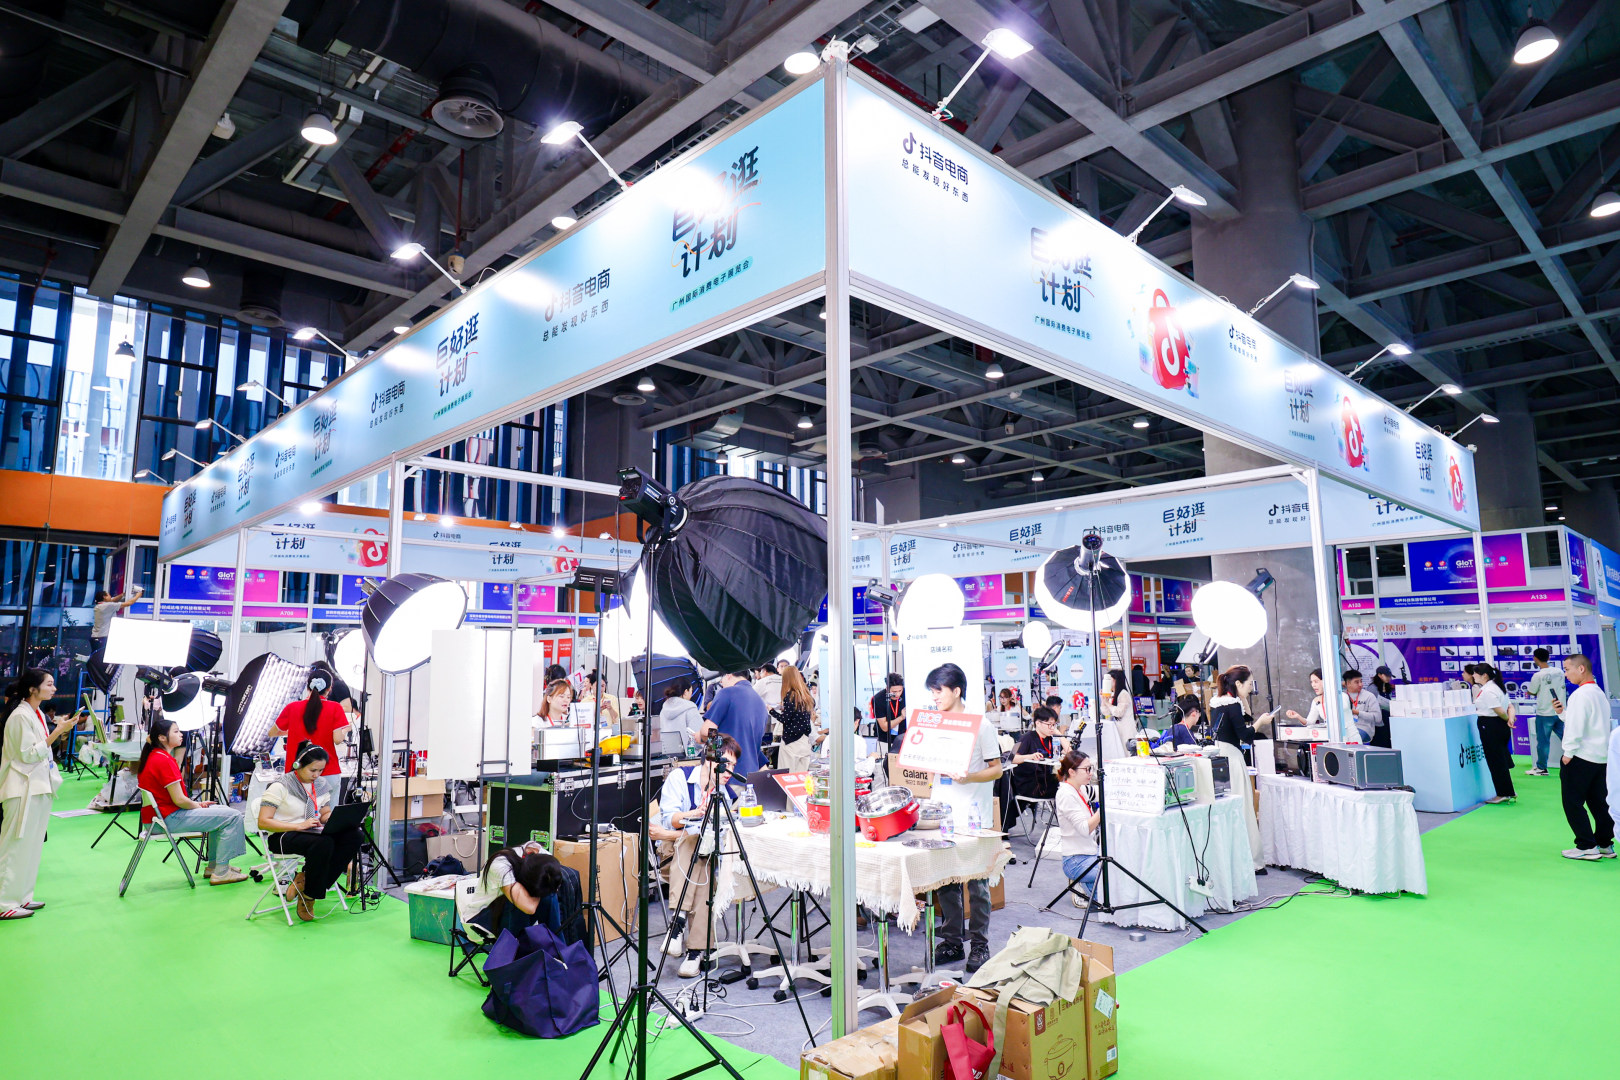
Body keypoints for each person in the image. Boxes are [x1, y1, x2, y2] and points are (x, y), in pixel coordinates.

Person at [924, 662, 1002, 973]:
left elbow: (997, 769)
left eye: (938, 691)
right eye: (932, 691)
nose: (934, 697)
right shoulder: (936, 724)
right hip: (943, 812)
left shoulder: (980, 725)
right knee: (946, 881)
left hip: (973, 815)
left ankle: (980, 944)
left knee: (977, 883)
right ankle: (952, 941)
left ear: (956, 691)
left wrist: (968, 777)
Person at [658, 734, 742, 977]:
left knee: (703, 860)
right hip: (673, 855)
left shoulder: (725, 794)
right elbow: (669, 820)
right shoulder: (680, 777)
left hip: (704, 858)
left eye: (734, 766)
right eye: (726, 763)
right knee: (692, 845)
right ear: (710, 758)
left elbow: (721, 834)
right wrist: (694, 815)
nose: (729, 771)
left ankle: (678, 923)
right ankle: (695, 952)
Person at [255, 743, 364, 919]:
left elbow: (324, 813)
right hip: (283, 835)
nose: (316, 775)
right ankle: (309, 895)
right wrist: (298, 825)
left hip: (312, 832)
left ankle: (305, 881)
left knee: (355, 835)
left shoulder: (321, 785)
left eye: (320, 770)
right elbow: (263, 822)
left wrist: (335, 819)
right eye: (313, 770)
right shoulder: (280, 786)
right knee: (324, 843)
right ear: (298, 765)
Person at [136, 719, 249, 885]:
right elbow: (179, 800)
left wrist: (197, 806)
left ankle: (214, 866)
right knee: (233, 816)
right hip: (167, 819)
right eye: (176, 731)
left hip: (158, 818)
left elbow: (177, 799)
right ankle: (222, 872)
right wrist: (197, 805)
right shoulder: (164, 760)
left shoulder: (154, 756)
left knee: (220, 814)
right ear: (162, 737)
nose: (181, 734)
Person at [0, 670, 74, 919]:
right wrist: (57, 732)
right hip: (21, 788)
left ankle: (22, 896)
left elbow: (41, 751)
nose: (54, 688)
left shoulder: (37, 713)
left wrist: (59, 730)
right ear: (33, 689)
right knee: (14, 845)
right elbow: (28, 754)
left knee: (31, 846)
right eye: (49, 684)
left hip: (39, 786)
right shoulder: (20, 715)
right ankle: (4, 902)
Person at [1208, 665, 1270, 870]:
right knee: (1243, 808)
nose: (1251, 688)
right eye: (1249, 684)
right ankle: (1251, 862)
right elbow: (1245, 735)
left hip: (1219, 758)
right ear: (1238, 683)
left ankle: (1233, 860)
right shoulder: (1233, 704)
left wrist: (1243, 701)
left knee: (1227, 809)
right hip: (1233, 759)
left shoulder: (1217, 702)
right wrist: (1261, 722)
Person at [1552, 653, 1613, 859]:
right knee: (1599, 803)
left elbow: (1576, 728)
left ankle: (1586, 845)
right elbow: (1586, 722)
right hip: (1600, 757)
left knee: (1572, 802)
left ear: (1581, 669)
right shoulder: (1598, 693)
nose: (1565, 674)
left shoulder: (1580, 695)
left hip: (1581, 757)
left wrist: (1568, 753)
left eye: (1567, 669)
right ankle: (1605, 843)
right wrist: (1562, 714)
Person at [270, 667, 349, 801]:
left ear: (308, 687)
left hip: (297, 773)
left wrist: (293, 730)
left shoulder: (292, 707)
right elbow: (337, 739)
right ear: (329, 689)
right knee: (328, 813)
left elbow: (272, 732)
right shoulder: (335, 707)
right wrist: (346, 729)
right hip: (327, 770)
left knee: (298, 812)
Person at [469, 839, 569, 936]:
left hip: (508, 915)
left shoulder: (543, 858)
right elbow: (529, 908)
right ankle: (517, 945)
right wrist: (541, 888)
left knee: (549, 896)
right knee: (518, 900)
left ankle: (555, 944)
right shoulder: (501, 864)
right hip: (481, 919)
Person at [1054, 750, 1101, 900]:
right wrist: (1101, 811)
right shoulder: (1066, 795)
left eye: (1090, 768)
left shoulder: (1081, 789)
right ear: (1072, 772)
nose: (1090, 773)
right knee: (1111, 874)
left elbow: (1102, 791)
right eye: (1086, 769)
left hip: (1090, 853)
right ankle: (1082, 885)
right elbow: (1085, 829)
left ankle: (1086, 886)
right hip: (1076, 860)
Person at [705, 670, 767, 776]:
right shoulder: (761, 702)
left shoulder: (726, 693)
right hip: (750, 775)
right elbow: (754, 745)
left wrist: (709, 763)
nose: (721, 682)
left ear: (729, 675)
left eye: (722, 678)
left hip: (727, 773)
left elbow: (709, 730)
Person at [1471, 664, 1516, 805]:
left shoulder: (1488, 690)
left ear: (1484, 675)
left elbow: (1500, 710)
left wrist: (1507, 719)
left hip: (1491, 726)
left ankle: (1503, 793)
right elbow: (1510, 707)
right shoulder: (1497, 687)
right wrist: (1510, 719)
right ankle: (1507, 791)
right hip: (1497, 726)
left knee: (1495, 761)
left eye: (1475, 673)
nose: (1473, 676)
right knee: (1500, 760)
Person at [1010, 706, 1065, 805]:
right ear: (1038, 723)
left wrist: (1058, 733)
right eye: (1049, 724)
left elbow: (1070, 751)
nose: (1052, 728)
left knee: (1069, 784)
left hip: (1045, 780)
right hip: (1029, 783)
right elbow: (1012, 759)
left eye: (1054, 724)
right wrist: (1029, 756)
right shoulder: (1028, 737)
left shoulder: (1051, 739)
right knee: (1066, 788)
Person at [1525, 648, 1567, 777]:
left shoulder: (1538, 675)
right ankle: (1580, 762)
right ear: (1548, 658)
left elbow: (1532, 691)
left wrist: (1531, 691)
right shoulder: (1559, 671)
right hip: (1560, 712)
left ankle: (1541, 768)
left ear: (1535, 659)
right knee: (1567, 739)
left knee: (1543, 742)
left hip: (1544, 713)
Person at [774, 666, 816, 773]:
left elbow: (785, 719)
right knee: (802, 777)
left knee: (786, 776)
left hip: (790, 742)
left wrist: (771, 711)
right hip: (804, 742)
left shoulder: (789, 696)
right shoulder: (806, 696)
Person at [658, 677, 704, 755]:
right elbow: (700, 738)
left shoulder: (663, 709)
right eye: (691, 691)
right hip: (687, 757)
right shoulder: (690, 708)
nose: (691, 695)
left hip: (666, 755)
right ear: (685, 692)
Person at [1102, 668, 1141, 749]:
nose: (1108, 683)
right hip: (1118, 729)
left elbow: (1118, 713)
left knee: (1126, 751)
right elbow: (1106, 712)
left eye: (1110, 680)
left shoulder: (1123, 694)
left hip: (1126, 729)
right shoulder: (1113, 694)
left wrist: (1107, 703)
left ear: (1116, 681)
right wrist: (1104, 700)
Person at [1342, 670, 1380, 745]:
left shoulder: (1369, 696)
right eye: (1357, 682)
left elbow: (1378, 718)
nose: (1360, 684)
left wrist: (1358, 713)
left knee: (1353, 737)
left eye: (1361, 681)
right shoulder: (1342, 696)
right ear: (1348, 683)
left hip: (1364, 728)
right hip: (1346, 728)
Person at [871, 673, 907, 748]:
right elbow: (884, 727)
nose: (897, 694)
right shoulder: (878, 699)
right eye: (894, 692)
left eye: (900, 690)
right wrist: (901, 717)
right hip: (884, 739)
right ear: (887, 688)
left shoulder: (907, 695)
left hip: (903, 737)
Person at [1370, 667, 1396, 747]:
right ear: (1379, 675)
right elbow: (1371, 703)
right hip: (1378, 719)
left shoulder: (1388, 687)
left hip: (1387, 717)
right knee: (1380, 741)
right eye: (1386, 676)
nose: (1389, 678)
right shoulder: (1373, 687)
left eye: (1390, 676)